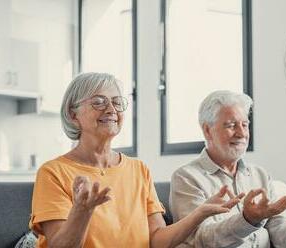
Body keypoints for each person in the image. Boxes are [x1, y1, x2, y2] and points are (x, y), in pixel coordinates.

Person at [30, 73, 242, 248]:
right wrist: (82, 212)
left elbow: (157, 240)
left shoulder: (138, 169)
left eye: (116, 102)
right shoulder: (53, 172)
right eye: (98, 102)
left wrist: (200, 213)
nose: (111, 110)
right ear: (72, 114)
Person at [170, 90, 286, 248]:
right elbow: (201, 239)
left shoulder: (260, 174)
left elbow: (277, 230)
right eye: (231, 125)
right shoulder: (187, 177)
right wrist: (246, 220)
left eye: (245, 125)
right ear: (207, 130)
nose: (242, 133)